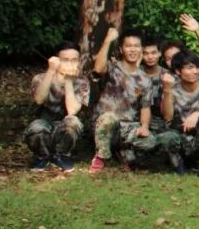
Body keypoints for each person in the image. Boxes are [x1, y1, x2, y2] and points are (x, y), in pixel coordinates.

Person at [91, 28, 177, 173]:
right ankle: (101, 156)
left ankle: (123, 152)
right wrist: (107, 40)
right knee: (109, 118)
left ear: (141, 50)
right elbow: (98, 69)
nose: (132, 50)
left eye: (136, 46)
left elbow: (145, 107)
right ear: (121, 49)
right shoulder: (112, 67)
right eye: (128, 46)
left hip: (128, 128)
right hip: (105, 126)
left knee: (150, 142)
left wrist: (144, 126)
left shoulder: (145, 79)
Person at [24, 42, 89, 172]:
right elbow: (39, 99)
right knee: (36, 126)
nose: (70, 64)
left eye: (74, 60)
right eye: (65, 60)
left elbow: (72, 111)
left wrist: (68, 81)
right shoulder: (40, 78)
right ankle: (42, 157)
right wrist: (51, 71)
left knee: (73, 122)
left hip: (65, 132)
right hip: (44, 127)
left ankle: (62, 156)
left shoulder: (82, 82)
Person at [161, 51, 199, 178]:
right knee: (168, 136)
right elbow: (167, 117)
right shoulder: (172, 89)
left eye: (197, 67)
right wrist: (167, 90)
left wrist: (197, 114)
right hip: (179, 137)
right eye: (190, 68)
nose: (195, 71)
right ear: (178, 71)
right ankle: (178, 164)